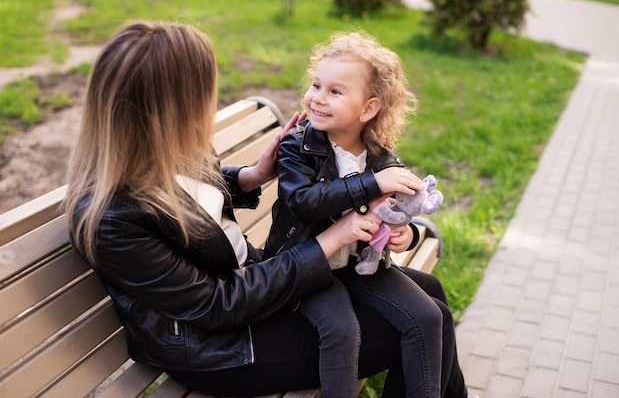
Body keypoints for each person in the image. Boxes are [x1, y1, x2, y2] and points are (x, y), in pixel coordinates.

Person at [62, 20, 452, 398]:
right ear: (166, 110)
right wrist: (333, 238)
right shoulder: (113, 220)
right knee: (422, 326)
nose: (209, 104)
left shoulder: (168, 146)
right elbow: (214, 304)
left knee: (430, 296)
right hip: (218, 345)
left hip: (250, 283)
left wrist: (252, 176)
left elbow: (184, 199)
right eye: (203, 94)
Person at [264, 31, 469, 398]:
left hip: (362, 266)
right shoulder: (298, 144)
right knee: (342, 329)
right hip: (307, 268)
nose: (318, 99)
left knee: (427, 317)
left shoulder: (379, 154)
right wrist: (371, 184)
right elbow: (303, 200)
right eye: (316, 85)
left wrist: (407, 235)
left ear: (368, 109)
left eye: (335, 91)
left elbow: (400, 211)